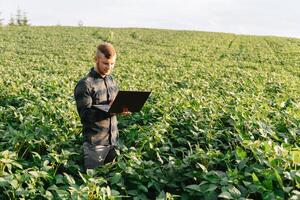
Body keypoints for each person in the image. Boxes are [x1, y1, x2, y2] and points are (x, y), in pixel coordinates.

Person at [74, 42, 122, 169]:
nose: (109, 67)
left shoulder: (111, 80)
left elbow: (114, 106)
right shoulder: (85, 84)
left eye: (112, 64)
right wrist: (110, 110)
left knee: (110, 183)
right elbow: (85, 116)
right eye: (105, 63)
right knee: (93, 183)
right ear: (96, 60)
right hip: (95, 145)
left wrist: (121, 108)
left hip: (113, 141)